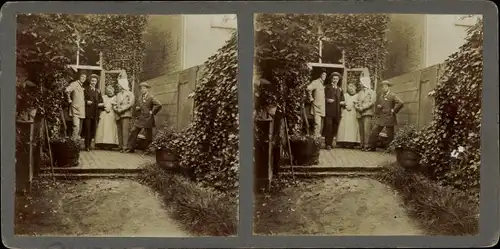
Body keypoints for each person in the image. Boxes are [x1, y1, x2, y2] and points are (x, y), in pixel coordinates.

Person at [366, 80, 404, 151]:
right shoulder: (381, 95)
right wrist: (379, 106)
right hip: (381, 117)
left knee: (390, 134)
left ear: (388, 87)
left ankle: (388, 149)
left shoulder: (392, 95)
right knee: (375, 131)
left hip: (389, 117)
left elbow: (401, 103)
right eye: (382, 87)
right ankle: (371, 147)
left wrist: (394, 110)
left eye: (385, 86)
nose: (384, 88)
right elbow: (380, 105)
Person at [125, 82, 162, 153]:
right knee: (133, 131)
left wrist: (152, 112)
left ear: (147, 89)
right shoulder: (139, 97)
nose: (142, 89)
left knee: (148, 135)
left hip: (148, 118)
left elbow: (159, 105)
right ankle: (130, 148)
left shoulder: (151, 97)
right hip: (140, 118)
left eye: (144, 88)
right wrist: (137, 108)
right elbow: (139, 106)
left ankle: (147, 149)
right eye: (141, 88)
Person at [323, 72, 345, 149]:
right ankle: (327, 144)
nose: (335, 80)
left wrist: (343, 102)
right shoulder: (327, 87)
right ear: (331, 79)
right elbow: (322, 97)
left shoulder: (340, 89)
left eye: (337, 79)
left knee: (334, 128)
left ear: (339, 80)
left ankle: (331, 142)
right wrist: (326, 100)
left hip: (337, 112)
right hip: (329, 111)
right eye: (334, 78)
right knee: (328, 127)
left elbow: (342, 99)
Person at [355, 71, 377, 150]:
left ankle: (366, 145)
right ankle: (362, 144)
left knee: (366, 130)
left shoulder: (372, 92)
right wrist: (357, 107)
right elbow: (357, 102)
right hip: (360, 113)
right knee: (361, 130)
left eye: (361, 82)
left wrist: (363, 107)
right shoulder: (360, 92)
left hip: (367, 113)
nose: (360, 84)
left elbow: (372, 102)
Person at [113, 75, 135, 153]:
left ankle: (125, 147)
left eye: (119, 84)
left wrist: (121, 109)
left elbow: (130, 104)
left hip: (125, 114)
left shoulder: (130, 94)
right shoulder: (118, 94)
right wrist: (116, 109)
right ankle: (120, 146)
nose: (118, 85)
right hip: (118, 114)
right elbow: (114, 103)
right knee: (119, 131)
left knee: (125, 131)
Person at [82, 74, 104, 151]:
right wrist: (86, 102)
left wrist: (101, 104)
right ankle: (87, 146)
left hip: (95, 113)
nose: (93, 82)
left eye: (95, 81)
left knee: (92, 130)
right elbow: (81, 99)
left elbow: (101, 101)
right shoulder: (85, 89)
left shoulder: (98, 91)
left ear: (97, 82)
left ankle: (90, 145)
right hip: (88, 113)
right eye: (92, 81)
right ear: (89, 81)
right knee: (87, 129)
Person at [95, 85, 120, 149]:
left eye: (111, 91)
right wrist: (104, 107)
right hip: (104, 114)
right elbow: (98, 104)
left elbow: (118, 106)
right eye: (108, 91)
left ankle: (110, 144)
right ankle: (101, 143)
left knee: (110, 129)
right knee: (103, 128)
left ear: (113, 91)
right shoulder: (103, 97)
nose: (110, 92)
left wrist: (113, 106)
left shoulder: (116, 97)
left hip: (112, 114)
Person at [336, 83, 361, 148]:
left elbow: (359, 104)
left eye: (352, 88)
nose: (351, 90)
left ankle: (351, 143)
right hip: (346, 112)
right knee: (344, 126)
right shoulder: (345, 95)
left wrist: (355, 105)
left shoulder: (357, 96)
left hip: (353, 112)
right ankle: (343, 142)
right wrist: (345, 106)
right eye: (349, 89)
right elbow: (341, 102)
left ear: (355, 88)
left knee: (352, 127)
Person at [65, 72, 87, 140]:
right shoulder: (74, 84)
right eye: (82, 76)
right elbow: (67, 90)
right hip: (75, 108)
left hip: (82, 109)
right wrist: (69, 99)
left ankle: (76, 143)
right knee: (76, 126)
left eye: (85, 77)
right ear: (79, 77)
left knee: (80, 128)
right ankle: (73, 142)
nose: (83, 78)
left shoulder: (82, 85)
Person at [306, 70, 326, 137]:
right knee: (317, 124)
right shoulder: (316, 82)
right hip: (317, 106)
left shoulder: (322, 83)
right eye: (323, 74)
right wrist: (311, 98)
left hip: (322, 107)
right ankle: (315, 139)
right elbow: (308, 89)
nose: (324, 76)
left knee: (320, 125)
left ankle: (317, 140)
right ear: (320, 75)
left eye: (325, 75)